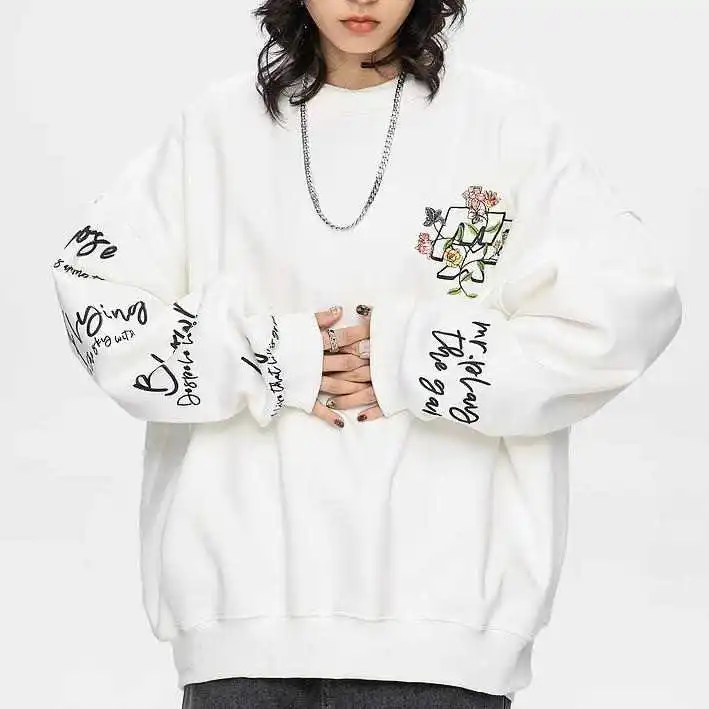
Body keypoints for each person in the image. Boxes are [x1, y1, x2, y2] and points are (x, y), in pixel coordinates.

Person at [49, 0, 683, 707]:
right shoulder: (215, 130)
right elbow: (93, 296)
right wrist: (268, 358)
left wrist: (422, 358)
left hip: (443, 634)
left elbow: (631, 305)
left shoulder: (503, 125)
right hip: (241, 627)